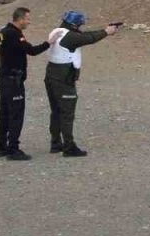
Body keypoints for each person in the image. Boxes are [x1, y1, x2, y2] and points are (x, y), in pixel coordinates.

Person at [43, 10, 118, 157]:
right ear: (74, 25)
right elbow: (88, 38)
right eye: (78, 25)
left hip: (51, 76)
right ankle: (69, 147)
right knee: (67, 114)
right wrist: (106, 32)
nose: (79, 28)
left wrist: (104, 30)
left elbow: (82, 36)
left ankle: (56, 143)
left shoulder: (58, 32)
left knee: (56, 111)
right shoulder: (70, 36)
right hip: (63, 79)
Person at [0, 7, 50, 161]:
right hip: (13, 81)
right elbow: (31, 50)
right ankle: (13, 149)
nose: (29, 21)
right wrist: (48, 43)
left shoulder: (3, 31)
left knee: (4, 113)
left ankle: (1, 146)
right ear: (19, 19)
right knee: (16, 115)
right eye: (27, 18)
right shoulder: (13, 33)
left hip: (4, 78)